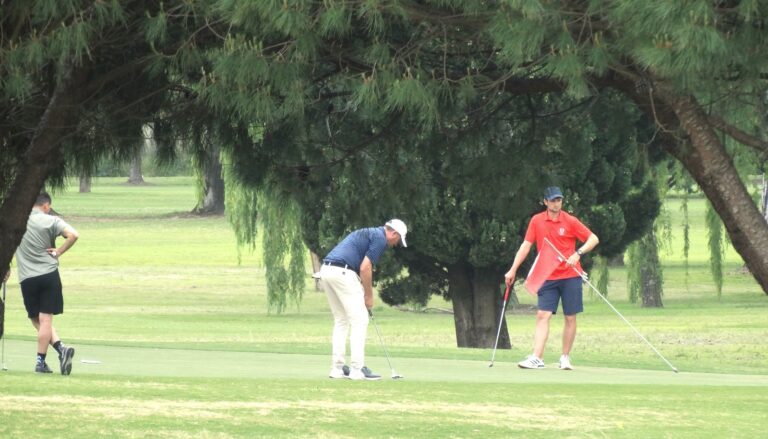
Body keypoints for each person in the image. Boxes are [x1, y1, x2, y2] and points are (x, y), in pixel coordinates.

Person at [504, 186, 598, 370]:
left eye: (559, 200)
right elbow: (526, 245)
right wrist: (512, 269)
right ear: (545, 202)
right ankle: (537, 358)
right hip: (547, 275)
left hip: (571, 276)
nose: (556, 203)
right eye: (553, 200)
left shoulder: (570, 221)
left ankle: (565, 357)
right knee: (543, 315)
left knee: (570, 317)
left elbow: (593, 239)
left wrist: (578, 253)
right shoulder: (537, 221)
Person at [320, 219, 408, 381]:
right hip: (343, 272)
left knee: (341, 320)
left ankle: (337, 369)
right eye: (398, 240)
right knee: (360, 320)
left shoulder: (370, 232)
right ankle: (356, 369)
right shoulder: (380, 238)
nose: (396, 244)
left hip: (326, 270)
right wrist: (368, 295)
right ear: (394, 233)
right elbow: (365, 268)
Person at [16, 192, 79, 375]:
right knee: (44, 320)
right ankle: (52, 355)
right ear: (46, 206)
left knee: (36, 320)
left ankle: (50, 356)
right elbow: (73, 235)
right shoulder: (51, 220)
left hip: (27, 277)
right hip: (49, 275)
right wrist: (59, 251)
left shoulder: (18, 221)